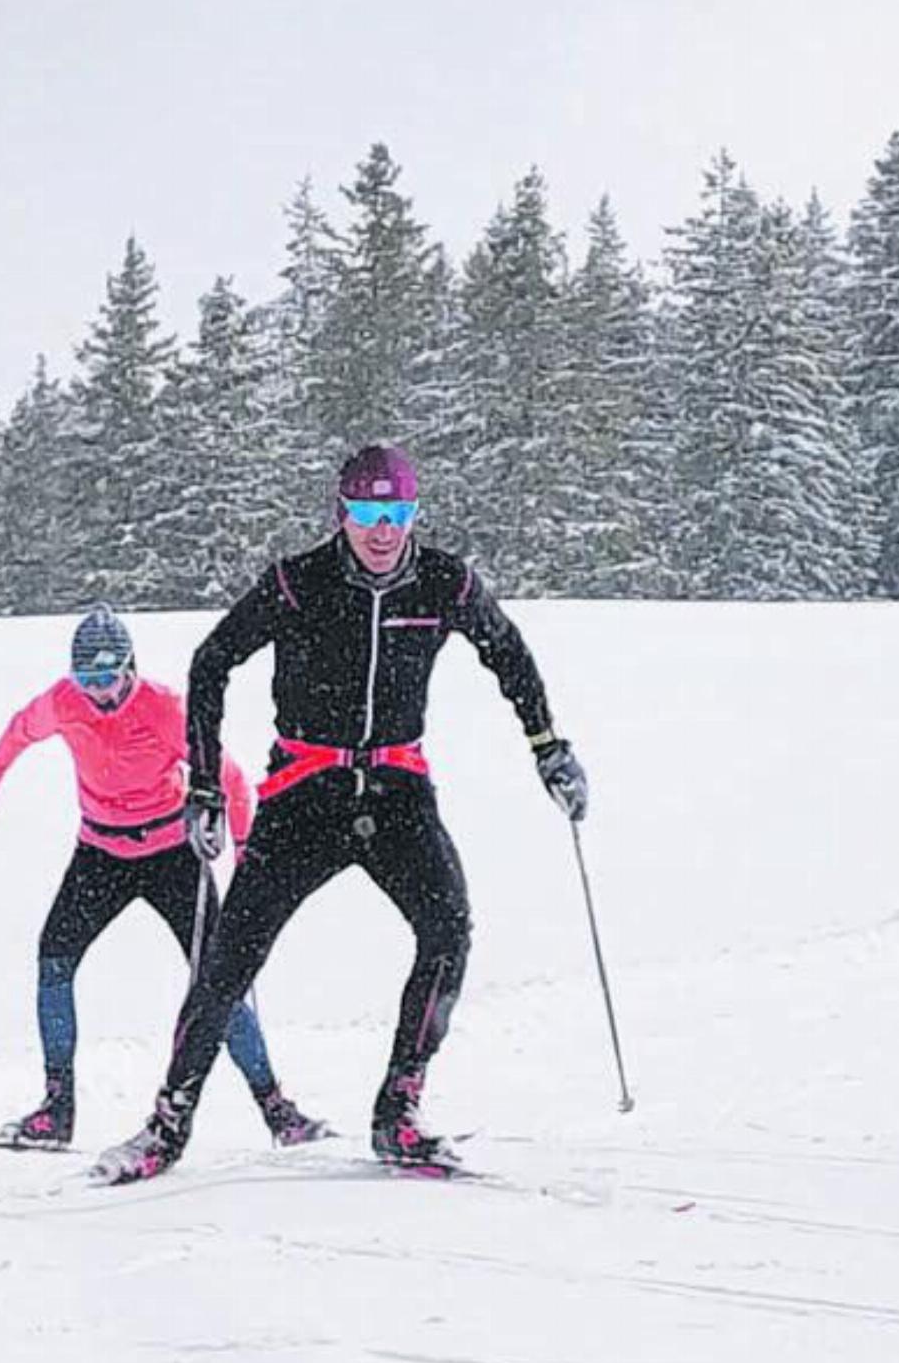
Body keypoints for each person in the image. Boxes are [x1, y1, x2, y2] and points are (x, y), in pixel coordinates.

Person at [93, 448, 587, 1183]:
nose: (382, 531)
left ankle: (399, 1110)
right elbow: (212, 660)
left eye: (396, 514)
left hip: (396, 790)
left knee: (449, 929)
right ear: (341, 514)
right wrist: (203, 785)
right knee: (230, 957)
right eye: (366, 514)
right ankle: (168, 1124)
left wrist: (549, 748)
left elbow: (507, 652)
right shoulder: (298, 582)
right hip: (303, 793)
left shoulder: (445, 582)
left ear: (415, 514)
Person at [0, 605, 324, 1150]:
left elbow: (235, 781)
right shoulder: (63, 701)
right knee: (54, 959)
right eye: (87, 680)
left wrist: (245, 851)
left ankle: (277, 1110)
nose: (98, 692)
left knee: (220, 978)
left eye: (107, 677)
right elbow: (18, 733)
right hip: (100, 852)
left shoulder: (167, 710)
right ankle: (57, 1109)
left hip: (173, 854)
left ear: (130, 666)